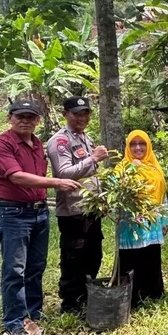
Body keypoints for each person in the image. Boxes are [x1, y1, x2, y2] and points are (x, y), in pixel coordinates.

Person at [0, 100, 81, 335]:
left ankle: (34, 312)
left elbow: (37, 176)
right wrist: (57, 183)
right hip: (13, 214)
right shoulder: (1, 144)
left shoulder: (37, 144)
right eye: (20, 116)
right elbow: (17, 177)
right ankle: (14, 323)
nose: (25, 120)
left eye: (31, 116)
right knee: (14, 270)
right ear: (10, 118)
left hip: (39, 212)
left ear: (38, 120)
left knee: (36, 266)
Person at [47, 96, 108, 314]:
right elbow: (63, 174)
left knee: (94, 255)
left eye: (85, 113)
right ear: (65, 114)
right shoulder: (60, 141)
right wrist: (93, 158)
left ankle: (85, 297)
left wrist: (102, 199)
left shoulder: (86, 138)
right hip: (73, 211)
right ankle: (70, 302)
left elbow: (93, 176)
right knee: (74, 257)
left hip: (91, 209)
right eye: (77, 114)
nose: (82, 118)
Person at [117, 130, 168, 307]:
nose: (138, 147)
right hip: (131, 222)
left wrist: (165, 219)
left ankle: (153, 292)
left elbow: (163, 195)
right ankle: (133, 297)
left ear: (148, 146)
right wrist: (134, 167)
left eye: (142, 144)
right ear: (128, 147)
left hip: (153, 220)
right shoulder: (122, 167)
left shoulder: (155, 168)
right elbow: (117, 188)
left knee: (151, 255)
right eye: (133, 144)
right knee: (133, 257)